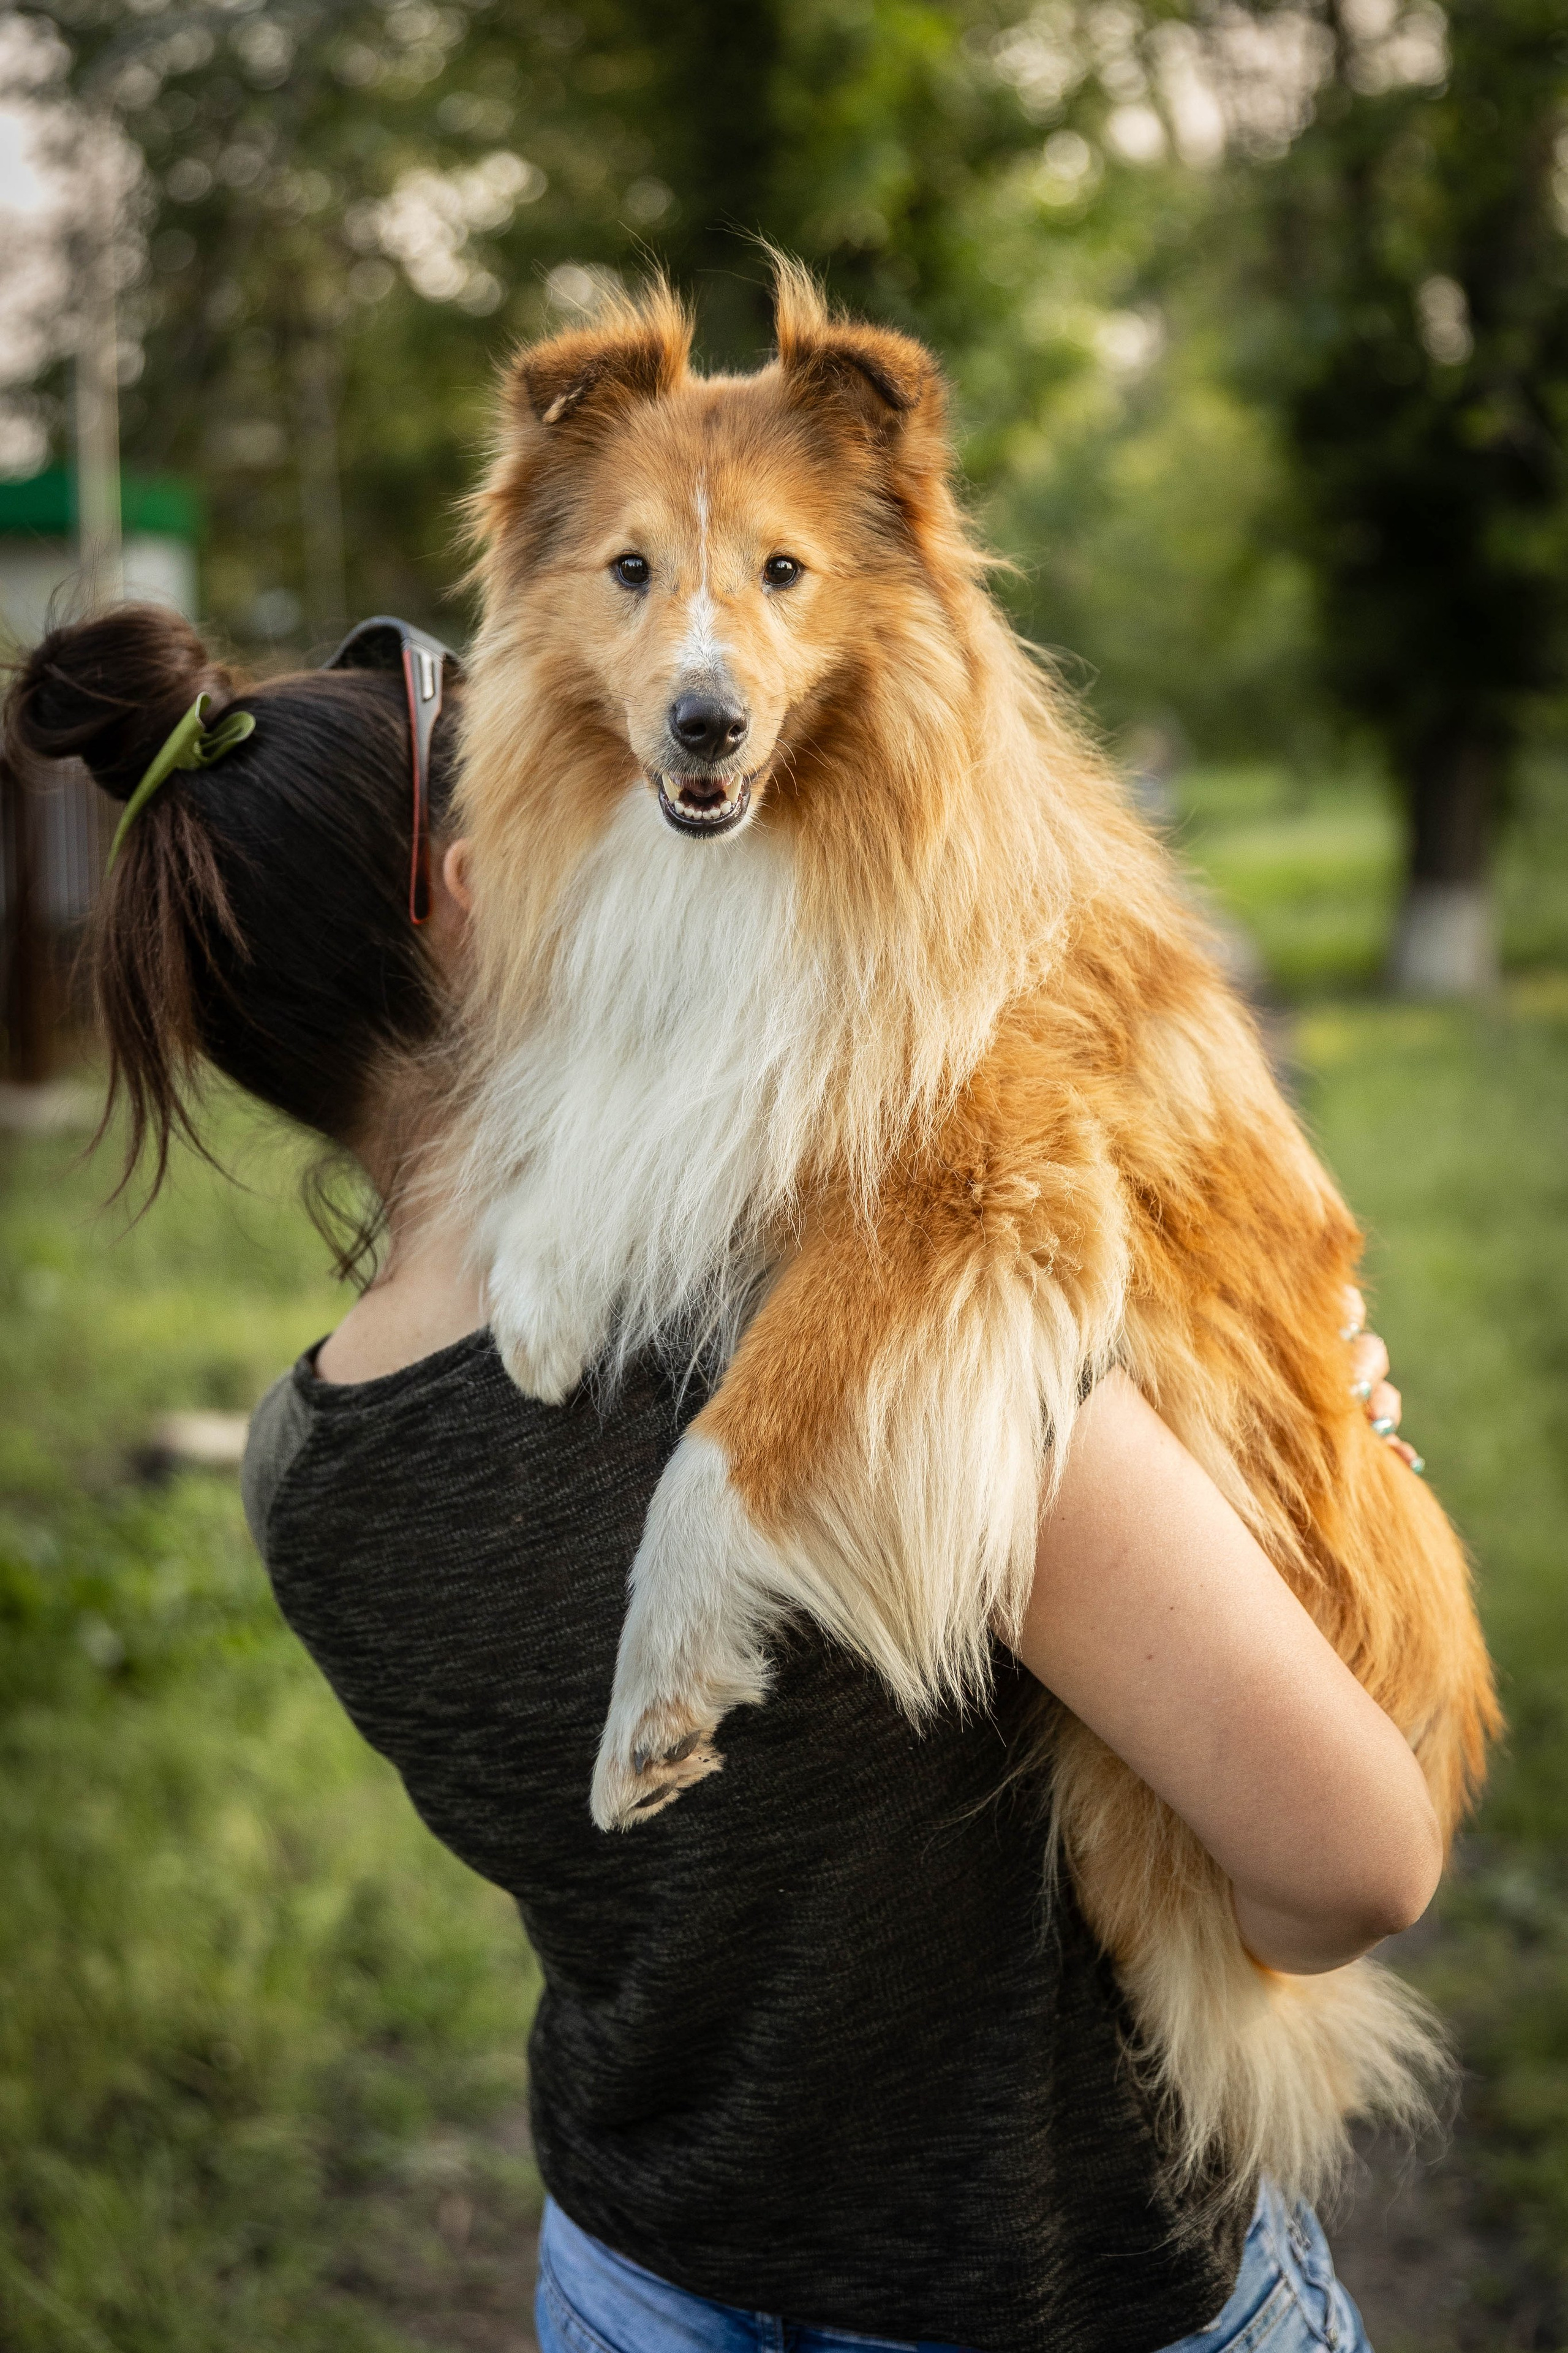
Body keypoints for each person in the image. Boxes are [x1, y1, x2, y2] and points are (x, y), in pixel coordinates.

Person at [6, 605, 1433, 2353]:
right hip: (1054, 2282)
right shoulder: (857, 1324)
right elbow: (1354, 1860)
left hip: (636, 2276)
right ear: (480, 894)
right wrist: (1323, 1475)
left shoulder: (299, 1471)